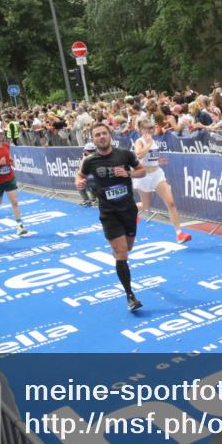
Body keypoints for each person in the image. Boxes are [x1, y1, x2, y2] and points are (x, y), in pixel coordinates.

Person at [75, 123, 148, 312]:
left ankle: (118, 254)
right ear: (93, 139)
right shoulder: (90, 161)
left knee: (128, 247)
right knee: (122, 252)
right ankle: (130, 296)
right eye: (97, 135)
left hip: (128, 209)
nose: (101, 137)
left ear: (110, 136)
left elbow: (142, 171)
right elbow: (80, 175)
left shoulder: (124, 154)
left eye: (104, 134)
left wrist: (129, 173)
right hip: (108, 213)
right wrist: (79, 183)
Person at [132, 121, 193, 243]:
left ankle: (179, 234)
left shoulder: (154, 141)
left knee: (170, 203)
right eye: (147, 128)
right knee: (146, 205)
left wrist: (159, 160)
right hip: (144, 176)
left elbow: (151, 158)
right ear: (141, 129)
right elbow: (138, 155)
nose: (150, 130)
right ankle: (131, 210)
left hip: (157, 174)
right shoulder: (140, 141)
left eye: (152, 128)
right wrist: (149, 144)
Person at [0, 127, 27, 235]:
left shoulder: (6, 145)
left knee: (15, 202)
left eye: (1, 134)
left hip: (9, 178)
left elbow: (8, 156)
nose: (0, 136)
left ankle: (19, 225)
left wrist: (11, 161)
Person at [78, 142, 99, 206]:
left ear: (86, 151)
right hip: (98, 177)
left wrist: (84, 157)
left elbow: (80, 170)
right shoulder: (98, 155)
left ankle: (88, 200)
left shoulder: (87, 158)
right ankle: (94, 199)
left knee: (80, 181)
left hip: (95, 178)